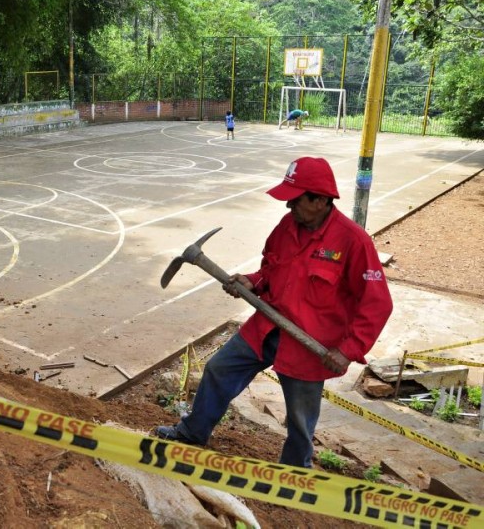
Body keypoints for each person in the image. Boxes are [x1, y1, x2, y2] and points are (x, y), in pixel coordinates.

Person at [155, 157, 393, 468]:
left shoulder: (353, 242)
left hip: (308, 344)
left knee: (299, 419)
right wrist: (251, 281)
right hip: (267, 326)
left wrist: (349, 350)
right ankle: (191, 433)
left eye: (294, 200)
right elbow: (271, 270)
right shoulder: (287, 227)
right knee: (218, 369)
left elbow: (377, 304)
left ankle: (293, 473)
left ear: (320, 200)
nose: (288, 207)